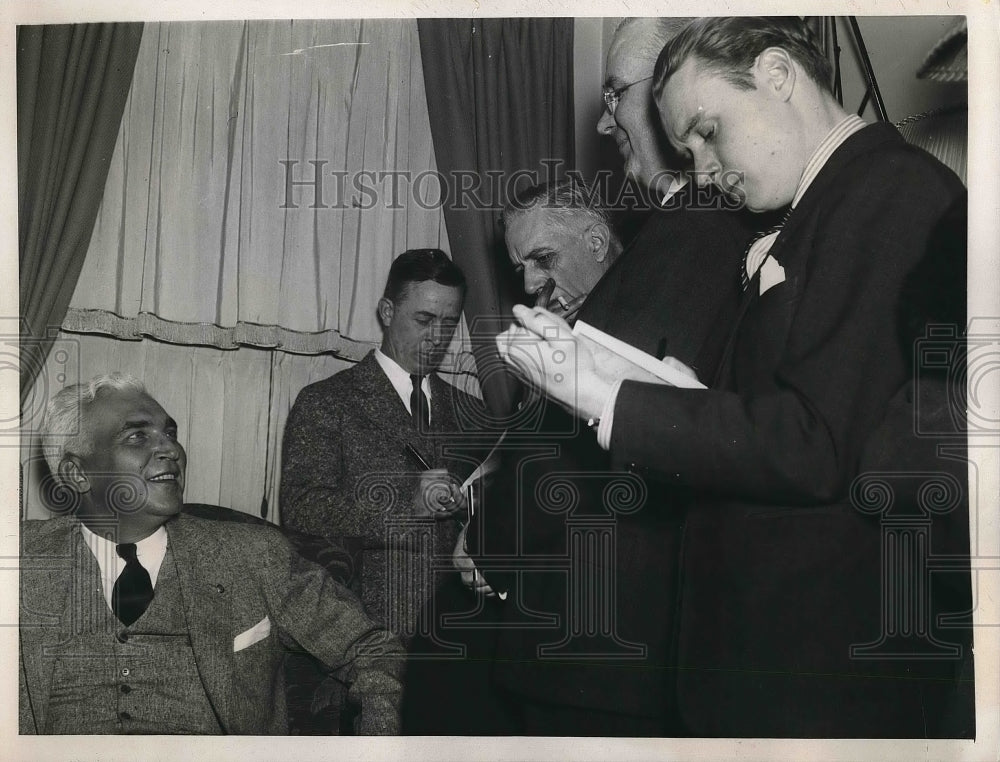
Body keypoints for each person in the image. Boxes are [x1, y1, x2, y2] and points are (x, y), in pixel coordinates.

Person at [497, 17, 972, 737]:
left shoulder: (889, 188)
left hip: (818, 675)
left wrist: (605, 396)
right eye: (687, 149)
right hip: (773, 667)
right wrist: (648, 380)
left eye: (709, 131)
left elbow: (816, 444)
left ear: (778, 76)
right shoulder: (825, 204)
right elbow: (800, 414)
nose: (704, 169)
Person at [19, 373, 403, 735]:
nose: (171, 449)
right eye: (137, 437)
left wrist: (378, 740)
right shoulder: (17, 563)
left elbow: (373, 649)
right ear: (77, 474)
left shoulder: (252, 555)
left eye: (170, 433)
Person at [280, 248, 487, 644]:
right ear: (387, 312)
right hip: (368, 629)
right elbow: (303, 510)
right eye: (424, 320)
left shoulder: (473, 413)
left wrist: (470, 505)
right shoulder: (326, 402)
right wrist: (407, 503)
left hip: (465, 630)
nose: (438, 337)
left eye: (449, 322)